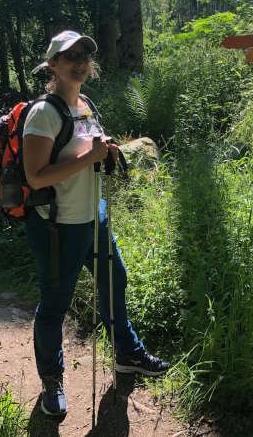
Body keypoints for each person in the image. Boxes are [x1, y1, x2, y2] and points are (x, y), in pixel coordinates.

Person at [23, 30, 169, 417]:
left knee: (113, 285)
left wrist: (107, 153)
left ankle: (127, 354)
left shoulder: (85, 104)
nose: (80, 61)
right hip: (57, 226)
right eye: (70, 55)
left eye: (85, 55)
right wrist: (88, 159)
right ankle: (51, 382)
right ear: (52, 64)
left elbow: (92, 148)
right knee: (55, 306)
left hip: (94, 218)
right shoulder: (43, 113)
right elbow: (36, 177)